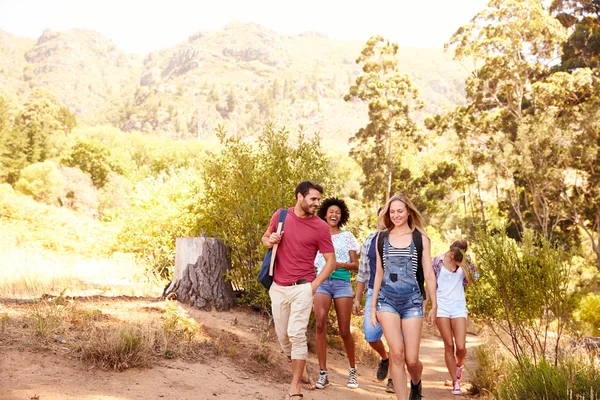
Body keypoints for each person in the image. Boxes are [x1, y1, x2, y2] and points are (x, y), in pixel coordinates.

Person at [262, 180, 337, 400]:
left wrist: (313, 286)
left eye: (317, 200)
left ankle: (295, 387)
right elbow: (265, 238)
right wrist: (270, 240)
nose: (316, 203)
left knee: (296, 334)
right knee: (283, 337)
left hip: (303, 287)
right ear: (299, 197)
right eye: (313, 199)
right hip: (278, 287)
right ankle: (301, 370)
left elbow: (330, 261)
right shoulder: (281, 216)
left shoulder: (320, 227)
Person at [370, 193, 437, 400]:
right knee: (396, 354)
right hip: (386, 301)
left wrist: (434, 304)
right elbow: (379, 274)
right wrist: (372, 307)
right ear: (388, 214)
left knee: (411, 359)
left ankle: (416, 383)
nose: (396, 215)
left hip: (412, 302)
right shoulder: (381, 238)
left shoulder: (421, 238)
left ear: (408, 212)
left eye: (400, 211)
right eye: (392, 212)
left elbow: (428, 273)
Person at [313, 197, 360, 389]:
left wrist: (338, 264)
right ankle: (323, 373)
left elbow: (355, 265)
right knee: (320, 323)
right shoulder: (316, 233)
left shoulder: (347, 236)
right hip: (322, 282)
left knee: (343, 330)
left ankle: (352, 371)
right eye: (331, 212)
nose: (334, 215)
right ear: (324, 214)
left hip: (341, 283)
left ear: (342, 216)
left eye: (338, 212)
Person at [353, 209, 395, 394]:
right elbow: (362, 272)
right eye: (384, 216)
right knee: (370, 335)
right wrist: (357, 298)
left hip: (397, 294)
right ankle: (385, 358)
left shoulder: (404, 239)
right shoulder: (370, 239)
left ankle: (393, 380)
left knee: (396, 339)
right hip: (374, 292)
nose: (386, 219)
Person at [432, 239, 478, 395]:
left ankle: (459, 365)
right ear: (450, 250)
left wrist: (462, 265)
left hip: (458, 306)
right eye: (451, 253)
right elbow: (429, 283)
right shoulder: (437, 261)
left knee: (461, 347)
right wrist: (431, 306)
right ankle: (455, 382)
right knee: (449, 345)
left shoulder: (465, 262)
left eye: (455, 255)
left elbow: (474, 281)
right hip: (441, 307)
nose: (452, 256)